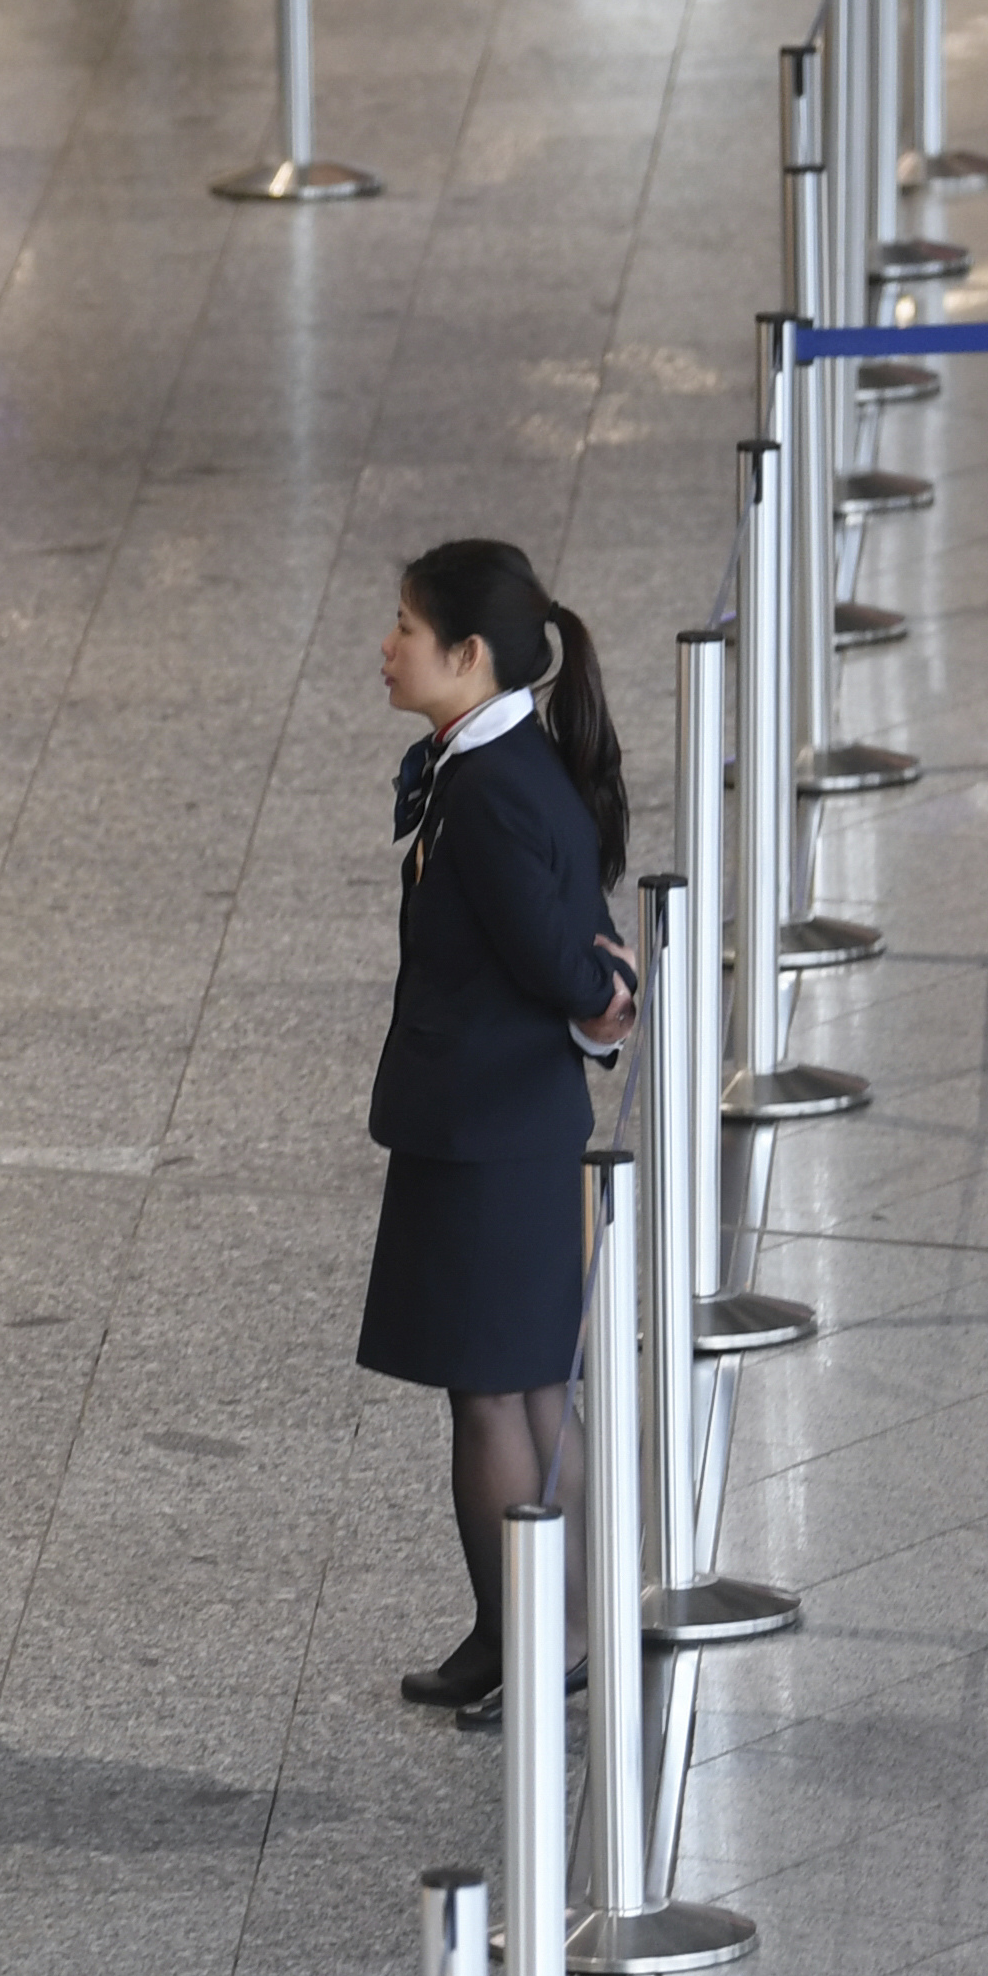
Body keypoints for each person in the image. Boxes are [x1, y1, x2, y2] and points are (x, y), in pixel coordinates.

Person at [355, 537, 637, 1726]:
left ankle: (538, 1635)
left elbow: (556, 956)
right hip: (499, 1119)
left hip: (486, 1129)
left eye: (407, 629)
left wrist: (602, 995)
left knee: (496, 1396)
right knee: (525, 1390)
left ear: (469, 656)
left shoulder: (494, 794)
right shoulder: (507, 761)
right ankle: (519, 1626)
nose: (387, 645)